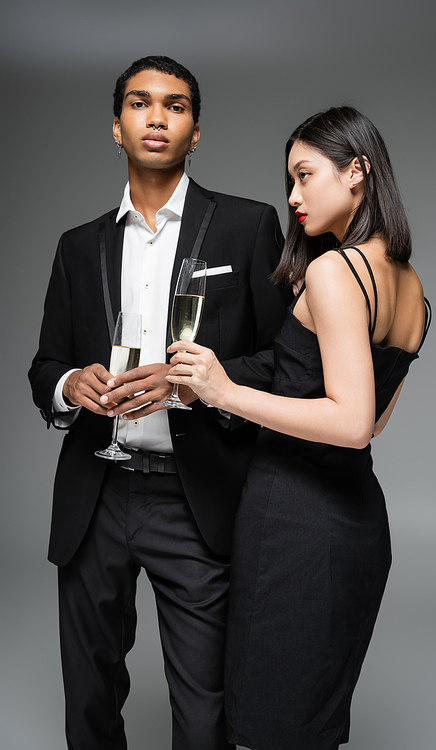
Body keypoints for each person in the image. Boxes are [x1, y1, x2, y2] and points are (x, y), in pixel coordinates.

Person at [28, 55, 290, 750]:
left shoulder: (247, 226)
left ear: (195, 131)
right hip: (96, 492)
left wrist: (202, 383)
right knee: (88, 703)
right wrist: (68, 386)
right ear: (117, 126)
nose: (156, 117)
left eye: (174, 106)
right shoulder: (77, 247)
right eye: (140, 104)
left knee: (205, 715)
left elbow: (288, 364)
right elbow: (44, 364)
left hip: (196, 495)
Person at [166, 106, 431, 749]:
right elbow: (374, 413)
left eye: (305, 175)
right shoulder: (414, 291)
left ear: (357, 172)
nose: (292, 196)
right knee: (310, 726)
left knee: (265, 726)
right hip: (358, 527)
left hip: (294, 528)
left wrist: (224, 391)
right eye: (290, 179)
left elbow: (352, 422)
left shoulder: (335, 271)